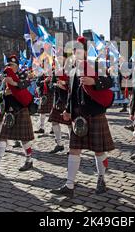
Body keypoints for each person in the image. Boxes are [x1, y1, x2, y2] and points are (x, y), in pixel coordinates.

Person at [50, 37, 115, 199]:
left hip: (94, 113)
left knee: (99, 151)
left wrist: (94, 81)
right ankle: (69, 185)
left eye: (78, 50)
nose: (75, 54)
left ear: (85, 51)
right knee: (74, 150)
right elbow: (72, 94)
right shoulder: (73, 70)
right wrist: (68, 110)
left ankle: (101, 179)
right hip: (78, 115)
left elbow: (109, 82)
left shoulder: (96, 65)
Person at [0, 55, 35, 173]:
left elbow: (26, 84)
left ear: (17, 66)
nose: (9, 67)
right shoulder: (6, 78)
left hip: (20, 109)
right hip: (9, 110)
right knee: (3, 137)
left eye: (12, 65)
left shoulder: (22, 74)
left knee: (23, 139)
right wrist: (5, 93)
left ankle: (29, 160)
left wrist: (15, 85)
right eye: (8, 65)